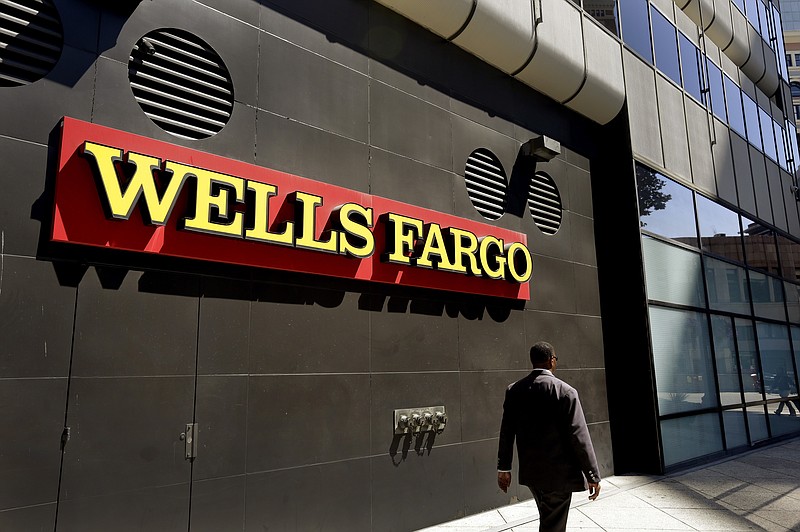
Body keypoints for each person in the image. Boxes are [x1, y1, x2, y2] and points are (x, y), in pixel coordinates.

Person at [497, 341, 601, 532]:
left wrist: (504, 468)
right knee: (553, 525)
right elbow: (579, 435)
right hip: (558, 476)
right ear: (552, 360)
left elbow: (507, 431)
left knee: (549, 519)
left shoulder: (514, 390)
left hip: (532, 473)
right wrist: (592, 474)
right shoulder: (566, 392)